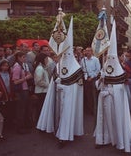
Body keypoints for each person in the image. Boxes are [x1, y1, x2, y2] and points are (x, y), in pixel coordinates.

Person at [37, 17, 84, 148]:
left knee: (66, 112)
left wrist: (65, 87)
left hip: (69, 97)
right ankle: (54, 128)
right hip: (58, 95)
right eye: (64, 54)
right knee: (58, 111)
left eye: (68, 54)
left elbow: (78, 87)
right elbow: (54, 81)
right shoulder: (58, 66)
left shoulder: (77, 68)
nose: (65, 57)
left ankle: (64, 135)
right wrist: (56, 82)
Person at [94, 21, 131, 152]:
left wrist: (109, 91)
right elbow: (97, 84)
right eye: (108, 57)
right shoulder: (104, 69)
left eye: (112, 57)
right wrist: (101, 81)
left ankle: (118, 140)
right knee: (103, 119)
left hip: (115, 100)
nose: (109, 59)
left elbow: (120, 88)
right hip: (104, 98)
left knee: (116, 119)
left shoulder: (120, 71)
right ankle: (103, 139)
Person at [11, 51, 33, 134]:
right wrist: (26, 78)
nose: (25, 59)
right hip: (21, 91)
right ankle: (19, 128)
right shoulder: (17, 67)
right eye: (23, 57)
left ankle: (24, 125)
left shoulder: (22, 65)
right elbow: (15, 81)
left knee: (24, 108)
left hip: (24, 89)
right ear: (19, 58)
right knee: (20, 109)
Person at [0, 60, 14, 129]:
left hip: (10, 94)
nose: (5, 67)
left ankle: (10, 125)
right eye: (4, 66)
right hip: (3, 95)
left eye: (7, 66)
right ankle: (3, 126)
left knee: (10, 110)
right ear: (1, 66)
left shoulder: (10, 74)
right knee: (3, 111)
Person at [81, 47, 101, 116]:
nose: (88, 52)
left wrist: (92, 77)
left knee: (94, 95)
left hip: (93, 79)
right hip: (86, 79)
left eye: (89, 51)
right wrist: (85, 77)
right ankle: (90, 110)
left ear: (92, 52)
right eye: (86, 51)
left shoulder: (95, 60)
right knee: (87, 95)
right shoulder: (83, 60)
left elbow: (98, 70)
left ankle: (95, 110)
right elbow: (82, 69)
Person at [33, 53, 50, 123]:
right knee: (40, 109)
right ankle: (40, 123)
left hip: (43, 91)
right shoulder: (40, 68)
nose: (47, 60)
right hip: (41, 92)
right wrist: (47, 85)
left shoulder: (43, 67)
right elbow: (38, 81)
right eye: (46, 59)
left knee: (41, 108)